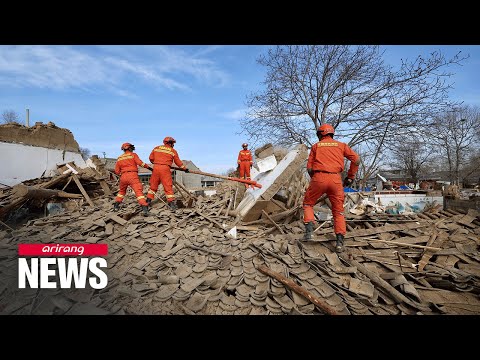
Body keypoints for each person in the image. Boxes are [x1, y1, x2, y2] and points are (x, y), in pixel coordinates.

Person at [302, 124, 360, 252]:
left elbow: (310, 168)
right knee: (338, 211)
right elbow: (356, 160)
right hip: (336, 179)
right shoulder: (341, 145)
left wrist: (316, 180)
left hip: (319, 177)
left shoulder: (316, 146)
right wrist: (350, 177)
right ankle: (339, 243)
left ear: (320, 134)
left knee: (308, 204)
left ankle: (309, 233)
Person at [147, 136, 189, 211]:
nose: (173, 144)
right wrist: (184, 168)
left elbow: (151, 158)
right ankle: (171, 204)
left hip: (156, 168)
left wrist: (157, 163)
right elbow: (178, 162)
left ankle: (148, 202)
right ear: (171, 143)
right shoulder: (172, 151)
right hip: (165, 169)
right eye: (173, 143)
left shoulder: (156, 148)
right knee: (168, 186)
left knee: (153, 186)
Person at [114, 142, 153, 216]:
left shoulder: (119, 158)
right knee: (138, 192)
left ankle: (116, 206)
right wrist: (150, 168)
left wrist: (122, 174)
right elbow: (140, 163)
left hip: (123, 176)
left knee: (121, 192)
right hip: (132, 175)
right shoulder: (133, 155)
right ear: (130, 148)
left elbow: (116, 171)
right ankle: (145, 209)